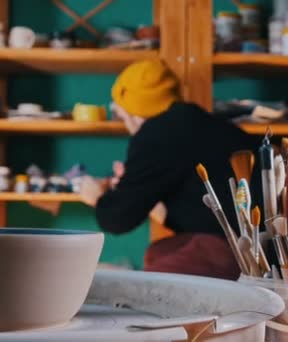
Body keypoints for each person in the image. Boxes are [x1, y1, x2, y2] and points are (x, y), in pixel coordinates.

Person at [80, 58, 261, 280]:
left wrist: (97, 197)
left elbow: (117, 219)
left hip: (235, 250)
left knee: (135, 287)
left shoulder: (156, 134)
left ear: (130, 110)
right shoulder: (195, 121)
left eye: (120, 113)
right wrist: (136, 187)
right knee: (158, 252)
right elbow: (198, 212)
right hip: (253, 244)